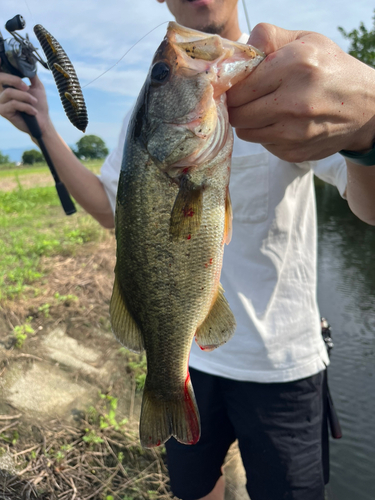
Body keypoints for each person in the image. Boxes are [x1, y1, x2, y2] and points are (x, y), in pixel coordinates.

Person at [1, 1, 375, 499]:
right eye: (162, 72)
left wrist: (368, 133)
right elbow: (113, 209)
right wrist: (43, 127)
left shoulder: (297, 84)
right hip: (188, 361)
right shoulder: (148, 112)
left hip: (282, 364)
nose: (169, 70)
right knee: (195, 490)